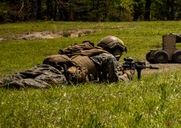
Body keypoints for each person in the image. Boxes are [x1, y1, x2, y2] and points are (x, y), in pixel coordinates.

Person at [1, 35, 134, 89]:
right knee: (23, 84)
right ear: (116, 51)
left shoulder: (88, 50)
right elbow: (113, 82)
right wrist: (127, 75)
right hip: (61, 74)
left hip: (49, 66)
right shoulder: (108, 58)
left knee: (18, 76)